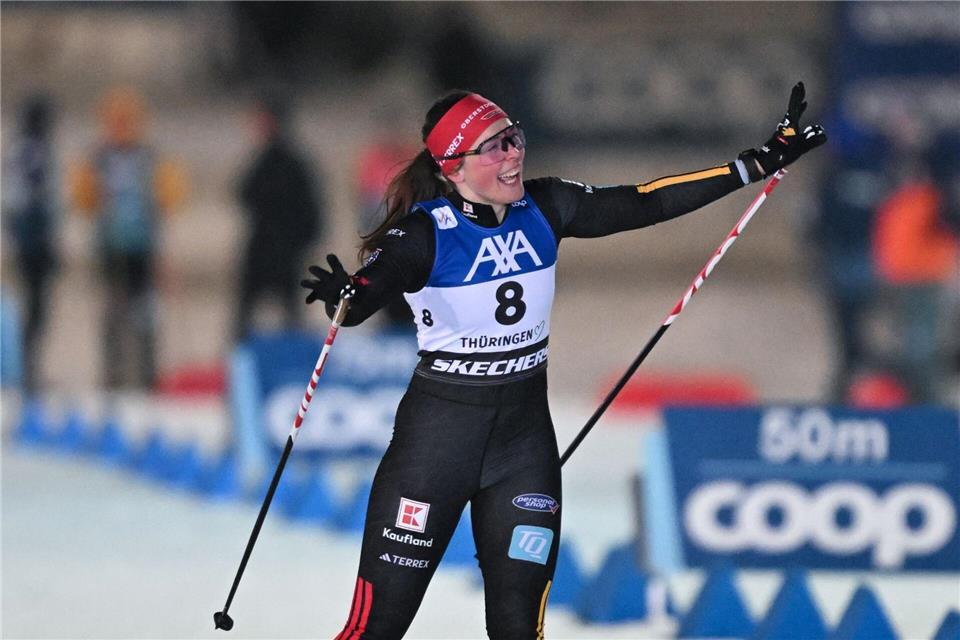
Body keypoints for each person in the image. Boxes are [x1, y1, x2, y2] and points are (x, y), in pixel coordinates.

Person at [301, 85, 825, 638]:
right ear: (453, 166)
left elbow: (646, 200)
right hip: (434, 449)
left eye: (513, 138)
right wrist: (348, 295)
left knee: (519, 630)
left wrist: (754, 165)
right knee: (376, 630)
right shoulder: (424, 232)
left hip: (522, 450)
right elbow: (368, 291)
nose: (513, 154)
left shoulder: (546, 205)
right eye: (494, 147)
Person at [70, 86, 187, 390]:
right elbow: (82, 197)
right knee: (115, 312)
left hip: (141, 247)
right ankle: (115, 373)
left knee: (144, 312)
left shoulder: (147, 157)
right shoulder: (100, 157)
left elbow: (170, 196)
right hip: (112, 246)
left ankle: (144, 373)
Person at [235, 93, 324, 341]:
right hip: (271, 249)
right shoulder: (277, 160)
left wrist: (300, 243)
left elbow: (310, 212)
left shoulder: (287, 163)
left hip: (279, 250)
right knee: (274, 314)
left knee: (284, 315)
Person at [3, 95, 59, 393]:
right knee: (36, 306)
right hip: (33, 238)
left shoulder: (20, 150)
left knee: (35, 305)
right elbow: (36, 198)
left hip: (25, 235)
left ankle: (27, 367)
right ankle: (26, 368)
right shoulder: (33, 152)